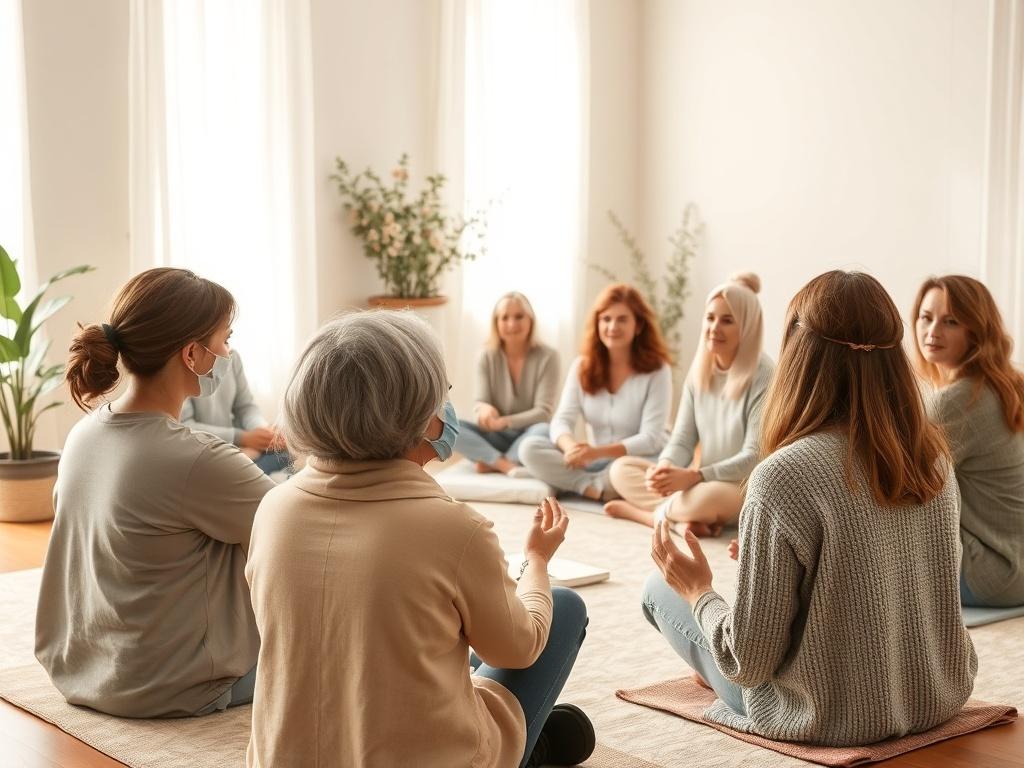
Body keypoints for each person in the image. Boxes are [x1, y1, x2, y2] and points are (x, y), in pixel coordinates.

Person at [245, 311, 594, 768]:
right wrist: (538, 561)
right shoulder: (454, 529)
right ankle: (534, 746)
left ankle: (540, 739)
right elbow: (518, 648)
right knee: (563, 606)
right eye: (442, 394)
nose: (446, 407)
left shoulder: (274, 508)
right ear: (420, 416)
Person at [642, 270, 976, 746]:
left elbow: (748, 662)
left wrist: (697, 590)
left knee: (659, 588)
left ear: (800, 353)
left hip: (825, 716)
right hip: (936, 697)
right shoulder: (934, 459)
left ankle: (703, 660)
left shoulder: (783, 475)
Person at [36, 267, 274, 718]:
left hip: (85, 671)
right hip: (169, 686)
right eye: (225, 340)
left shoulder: (83, 434)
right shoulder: (196, 458)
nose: (228, 352)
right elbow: (300, 531)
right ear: (192, 354)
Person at [605, 273, 772, 536]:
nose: (714, 328)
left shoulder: (764, 374)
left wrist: (696, 476)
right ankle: (682, 520)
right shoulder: (699, 371)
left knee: (707, 498)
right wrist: (665, 467)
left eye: (727, 321)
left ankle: (651, 517)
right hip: (701, 480)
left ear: (747, 326)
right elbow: (683, 438)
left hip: (739, 486)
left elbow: (754, 457)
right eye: (710, 318)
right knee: (620, 469)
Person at [913, 275, 1024, 607]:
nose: (932, 332)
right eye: (926, 317)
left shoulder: (959, 400)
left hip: (993, 573)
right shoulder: (1006, 384)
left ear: (976, 331)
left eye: (951, 322)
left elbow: (908, 486)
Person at [519, 284, 673, 500]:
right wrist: (571, 447)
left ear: (638, 325)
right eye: (606, 319)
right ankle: (594, 488)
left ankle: (587, 484)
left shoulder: (658, 370)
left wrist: (596, 452)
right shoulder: (582, 366)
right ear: (597, 323)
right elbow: (562, 419)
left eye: (622, 319)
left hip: (640, 459)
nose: (612, 326)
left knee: (646, 471)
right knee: (529, 447)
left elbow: (651, 438)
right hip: (595, 462)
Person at [456, 292, 560, 476]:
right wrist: (484, 409)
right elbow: (481, 401)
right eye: (505, 318)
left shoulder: (549, 356)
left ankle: (490, 461)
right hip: (494, 436)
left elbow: (543, 413)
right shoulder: (486, 355)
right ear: (496, 322)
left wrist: (504, 422)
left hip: (529, 434)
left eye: (519, 316)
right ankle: (506, 465)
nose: (512, 324)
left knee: (545, 430)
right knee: (446, 424)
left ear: (531, 320)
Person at [181, 350, 291, 476]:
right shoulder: (182, 366)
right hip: (210, 454)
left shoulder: (232, 356)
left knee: (290, 453)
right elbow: (184, 427)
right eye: (226, 339)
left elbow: (245, 406)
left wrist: (263, 431)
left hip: (241, 449)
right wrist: (242, 438)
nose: (228, 350)